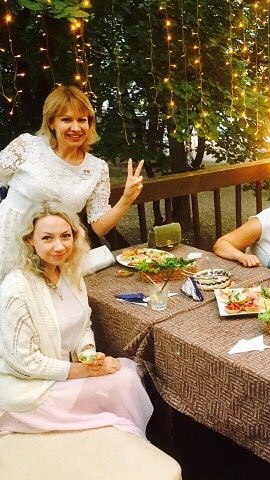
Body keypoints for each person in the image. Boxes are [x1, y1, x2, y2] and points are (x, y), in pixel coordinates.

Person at [0, 201, 153, 438]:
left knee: (126, 375)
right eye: (47, 238)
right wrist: (85, 371)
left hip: (63, 375)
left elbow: (83, 325)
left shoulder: (69, 273)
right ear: (30, 239)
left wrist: (89, 354)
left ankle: (130, 443)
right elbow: (25, 364)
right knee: (123, 386)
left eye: (65, 236)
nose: (59, 246)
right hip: (30, 391)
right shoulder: (16, 289)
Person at [0, 85, 144, 281]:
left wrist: (127, 199)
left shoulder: (97, 168)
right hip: (9, 242)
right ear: (52, 122)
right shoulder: (27, 146)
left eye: (82, 120)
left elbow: (99, 227)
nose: (76, 128)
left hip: (55, 252)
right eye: (66, 120)